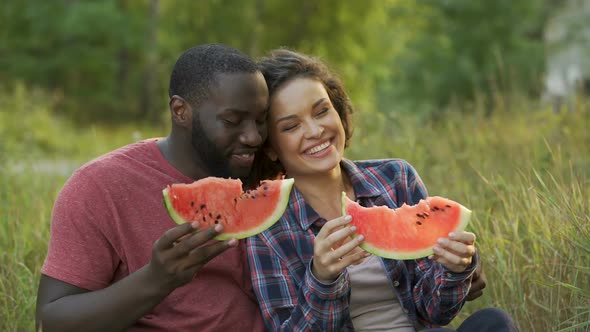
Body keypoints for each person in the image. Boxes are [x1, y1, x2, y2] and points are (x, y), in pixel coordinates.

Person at [246, 49, 518, 331]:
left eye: (322, 111)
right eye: (291, 126)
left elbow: (435, 312)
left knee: (494, 322)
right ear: (271, 148)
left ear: (338, 113)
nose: (315, 131)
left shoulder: (395, 178)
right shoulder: (268, 230)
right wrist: (322, 278)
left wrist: (455, 269)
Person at [36, 44, 270, 331]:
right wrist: (156, 280)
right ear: (180, 111)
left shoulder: (267, 171)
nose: (254, 136)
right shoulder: (99, 187)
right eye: (232, 121)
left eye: (261, 120)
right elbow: (51, 320)